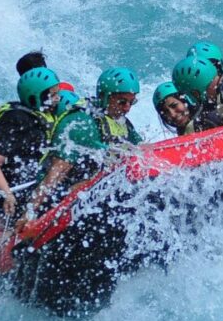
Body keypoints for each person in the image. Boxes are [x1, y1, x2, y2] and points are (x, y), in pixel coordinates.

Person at [29, 67, 142, 214]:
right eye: (122, 102)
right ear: (104, 97)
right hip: (59, 196)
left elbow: (143, 149)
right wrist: (30, 212)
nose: (127, 108)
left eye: (131, 102)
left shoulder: (121, 121)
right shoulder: (82, 122)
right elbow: (57, 172)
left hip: (96, 191)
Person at [0, 67, 61, 224]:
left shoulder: (39, 115)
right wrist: (7, 195)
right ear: (35, 98)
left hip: (35, 187)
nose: (57, 98)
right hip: (16, 197)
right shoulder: (16, 120)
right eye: (53, 95)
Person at [152, 81, 223, 135]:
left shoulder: (211, 117)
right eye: (165, 112)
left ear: (185, 100)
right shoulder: (184, 130)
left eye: (174, 105)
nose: (172, 114)